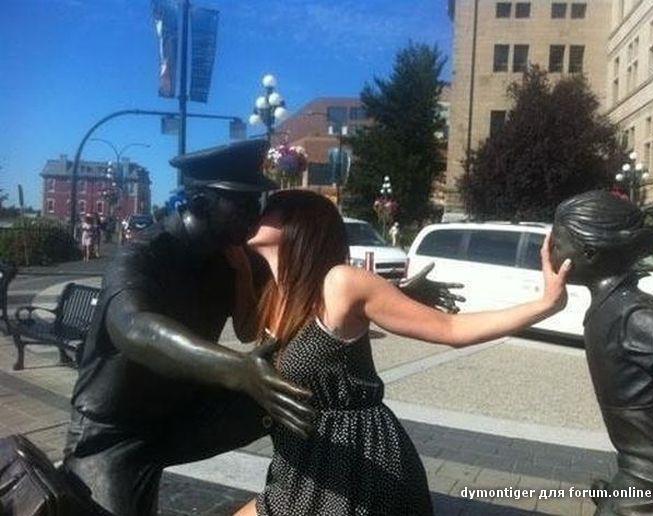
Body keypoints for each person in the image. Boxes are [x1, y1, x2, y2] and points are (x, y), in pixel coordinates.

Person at [62, 141, 465, 516]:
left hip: (188, 409)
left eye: (257, 203)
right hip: (117, 433)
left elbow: (311, 286)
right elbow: (135, 328)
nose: (255, 214)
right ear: (201, 203)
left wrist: (395, 296)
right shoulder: (143, 255)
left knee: (301, 385)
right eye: (243, 204)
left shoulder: (231, 253)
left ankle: (323, 490)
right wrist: (238, 370)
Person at [233, 189, 570, 516]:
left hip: (353, 459)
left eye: (269, 209)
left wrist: (546, 305)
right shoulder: (276, 294)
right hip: (300, 458)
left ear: (297, 224)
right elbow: (245, 331)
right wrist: (239, 267)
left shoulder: (340, 283)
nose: (256, 215)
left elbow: (451, 329)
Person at [550, 190, 653, 515]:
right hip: (642, 463)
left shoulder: (631, 313)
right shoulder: (612, 305)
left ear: (589, 252)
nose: (548, 252)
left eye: (556, 244)